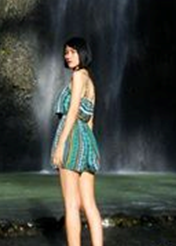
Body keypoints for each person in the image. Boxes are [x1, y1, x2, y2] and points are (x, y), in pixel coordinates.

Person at [50, 37, 103, 246]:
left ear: (83, 53)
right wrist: (92, 150)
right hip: (86, 141)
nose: (68, 56)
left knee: (71, 205)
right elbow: (90, 120)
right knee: (89, 204)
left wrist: (61, 145)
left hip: (71, 138)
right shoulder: (90, 81)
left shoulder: (78, 77)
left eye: (72, 51)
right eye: (66, 52)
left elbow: (72, 112)